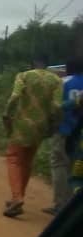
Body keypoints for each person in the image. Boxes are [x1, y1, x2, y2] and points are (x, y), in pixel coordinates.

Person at [2, 55, 63, 217]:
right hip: (40, 127)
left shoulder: (23, 76)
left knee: (13, 159)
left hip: (22, 124)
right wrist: (54, 124)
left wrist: (7, 114)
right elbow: (57, 106)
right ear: (47, 66)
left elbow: (14, 97)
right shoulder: (56, 80)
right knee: (27, 161)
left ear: (32, 65)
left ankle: (17, 198)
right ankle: (19, 196)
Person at [47, 57, 83, 214]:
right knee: (73, 166)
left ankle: (60, 204)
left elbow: (55, 107)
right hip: (79, 133)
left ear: (68, 68)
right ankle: (70, 204)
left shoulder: (64, 82)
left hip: (63, 130)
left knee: (58, 164)